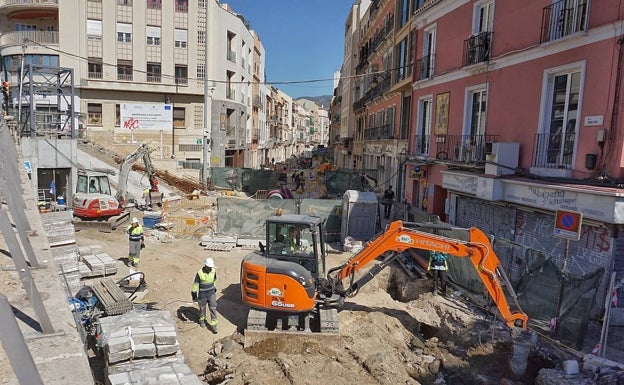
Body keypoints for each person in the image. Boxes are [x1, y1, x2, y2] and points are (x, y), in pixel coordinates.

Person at [191, 257, 218, 334]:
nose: (210, 269)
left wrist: (214, 288)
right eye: (209, 267)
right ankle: (202, 320)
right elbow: (196, 284)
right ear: (205, 266)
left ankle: (214, 326)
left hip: (211, 293)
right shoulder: (200, 273)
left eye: (211, 267)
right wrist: (194, 294)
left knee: (213, 308)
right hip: (202, 294)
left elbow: (214, 280)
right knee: (202, 308)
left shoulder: (213, 271)